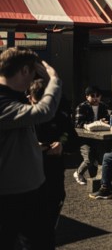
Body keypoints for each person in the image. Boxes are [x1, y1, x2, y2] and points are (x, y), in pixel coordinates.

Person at [0, 47, 62, 249]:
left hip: (28, 188)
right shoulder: (3, 101)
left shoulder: (13, 98)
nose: (36, 81)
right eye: (34, 74)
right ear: (25, 71)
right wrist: (54, 79)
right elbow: (43, 111)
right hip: (14, 195)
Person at [28, 78, 74, 237]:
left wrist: (61, 144)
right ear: (30, 98)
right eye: (37, 104)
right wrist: (33, 146)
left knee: (56, 199)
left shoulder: (59, 113)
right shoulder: (22, 114)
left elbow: (70, 134)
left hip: (53, 167)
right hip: (29, 172)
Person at [73, 85, 110, 185]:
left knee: (103, 157)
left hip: (100, 138)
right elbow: (78, 123)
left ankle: (99, 181)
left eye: (98, 96)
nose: (95, 98)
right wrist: (97, 121)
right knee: (89, 159)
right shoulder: (82, 107)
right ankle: (78, 173)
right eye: (92, 96)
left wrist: (105, 122)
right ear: (87, 97)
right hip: (85, 139)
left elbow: (108, 120)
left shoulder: (103, 106)